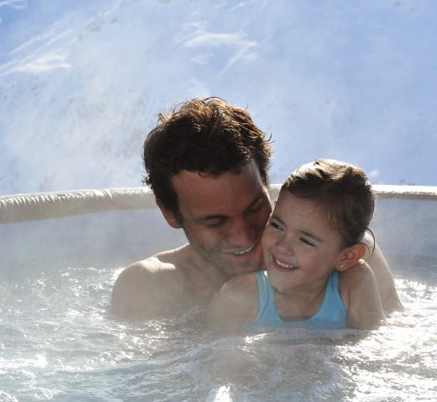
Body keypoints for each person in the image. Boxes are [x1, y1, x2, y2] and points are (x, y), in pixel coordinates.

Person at [110, 97, 401, 320]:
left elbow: (393, 348)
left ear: (266, 184)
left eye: (254, 208)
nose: (243, 236)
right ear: (170, 213)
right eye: (215, 222)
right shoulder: (150, 287)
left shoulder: (345, 257)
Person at [206, 159, 385, 333]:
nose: (283, 246)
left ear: (347, 257)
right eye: (277, 225)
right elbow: (210, 355)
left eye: (305, 240)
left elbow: (374, 347)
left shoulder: (353, 283)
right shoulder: (240, 296)